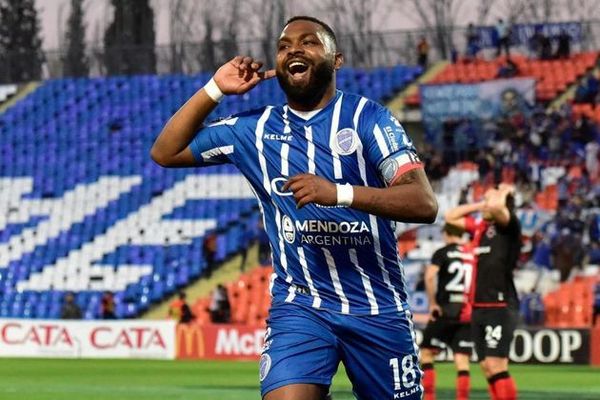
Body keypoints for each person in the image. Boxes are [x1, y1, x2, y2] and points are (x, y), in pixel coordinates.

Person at [151, 15, 438, 400]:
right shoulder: (253, 129)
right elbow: (165, 152)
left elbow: (423, 202)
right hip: (301, 306)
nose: (294, 50)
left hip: (377, 308)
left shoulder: (369, 119)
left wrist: (338, 193)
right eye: (284, 46)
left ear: (336, 60)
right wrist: (215, 88)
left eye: (310, 42)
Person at [445, 185, 520, 400]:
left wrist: (504, 192)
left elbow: (498, 207)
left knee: (496, 364)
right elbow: (451, 217)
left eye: (489, 199)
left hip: (499, 305)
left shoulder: (509, 225)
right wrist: (481, 204)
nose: (486, 203)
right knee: (487, 365)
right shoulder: (480, 228)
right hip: (478, 306)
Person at [420, 224, 473, 400]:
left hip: (444, 310)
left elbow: (429, 276)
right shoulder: (471, 254)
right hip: (466, 311)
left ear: (447, 234)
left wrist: (433, 303)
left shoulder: (442, 253)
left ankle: (429, 398)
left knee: (427, 352)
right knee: (462, 360)